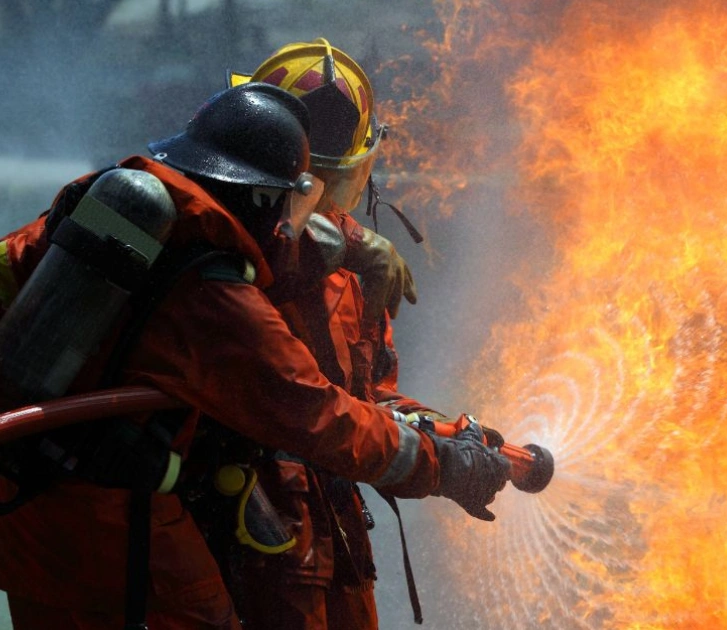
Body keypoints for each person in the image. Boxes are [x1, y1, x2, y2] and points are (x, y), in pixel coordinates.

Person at [0, 82, 511, 629]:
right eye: (290, 202)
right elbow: (319, 416)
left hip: (24, 512)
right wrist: (442, 465)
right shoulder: (213, 297)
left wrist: (353, 244)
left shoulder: (104, 214)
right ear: (261, 197)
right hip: (111, 535)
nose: (290, 222)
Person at [204, 39, 437, 630]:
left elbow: (368, 398)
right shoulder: (217, 261)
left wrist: (452, 439)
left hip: (328, 539)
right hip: (250, 539)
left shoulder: (358, 274)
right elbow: (307, 407)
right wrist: (429, 463)